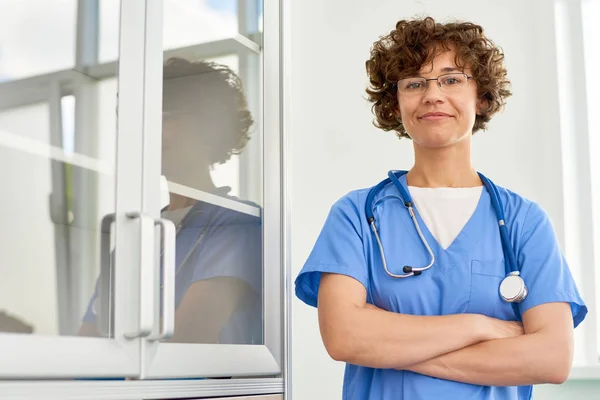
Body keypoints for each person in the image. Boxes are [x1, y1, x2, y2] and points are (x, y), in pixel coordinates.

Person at [294, 16, 587, 400]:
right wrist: (478, 326)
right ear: (395, 105)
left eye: (451, 79)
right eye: (414, 83)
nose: (432, 95)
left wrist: (389, 348)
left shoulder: (524, 221)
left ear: (480, 97)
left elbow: (551, 359)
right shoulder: (356, 214)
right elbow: (344, 337)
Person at [79, 57, 262, 345]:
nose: (147, 133)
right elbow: (89, 339)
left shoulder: (238, 221)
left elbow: (190, 332)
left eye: (165, 118)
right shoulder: (136, 234)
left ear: (208, 125)